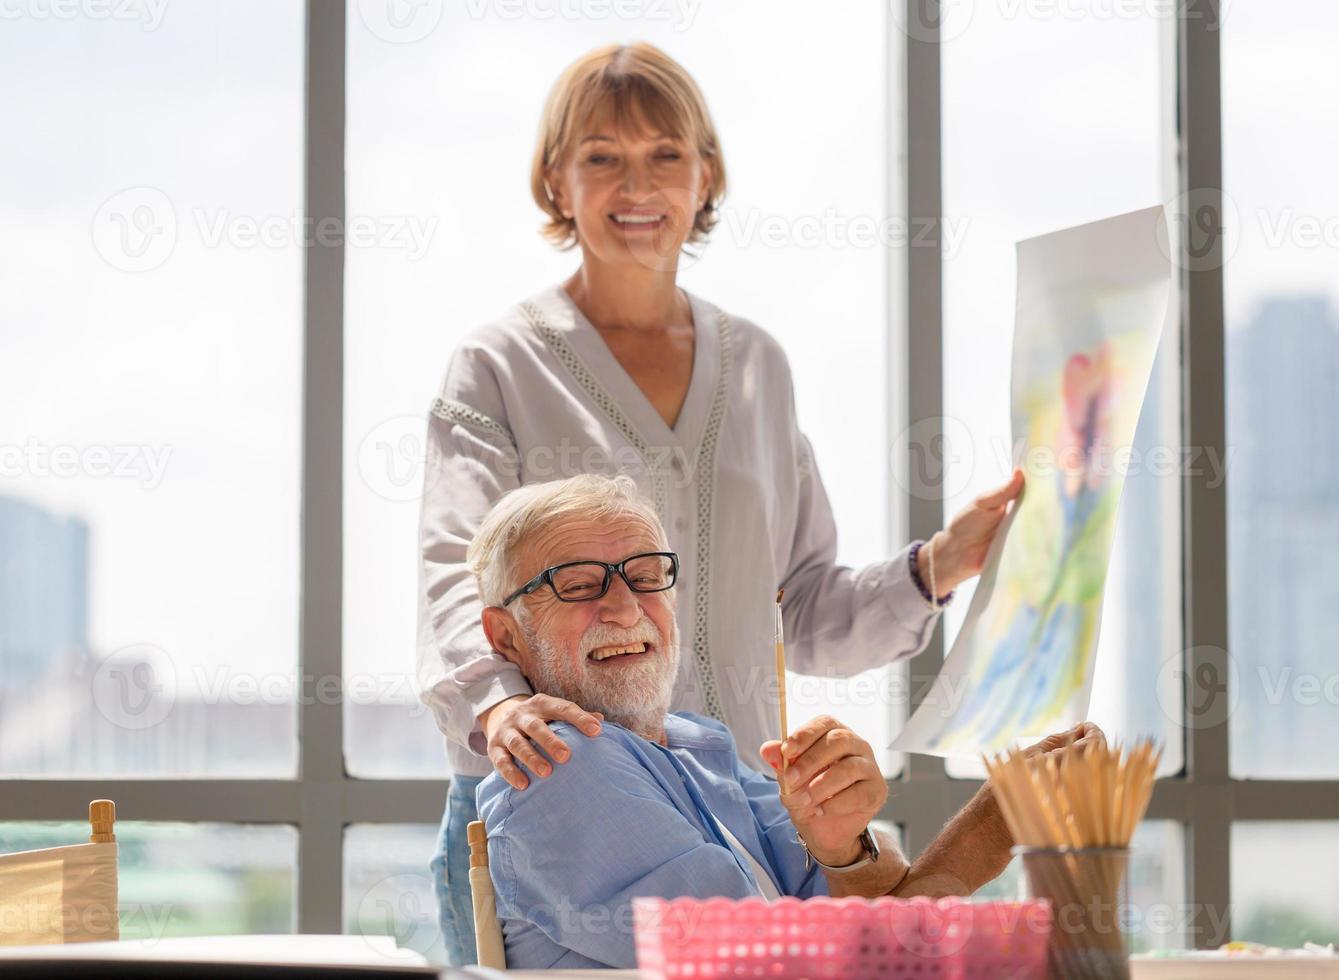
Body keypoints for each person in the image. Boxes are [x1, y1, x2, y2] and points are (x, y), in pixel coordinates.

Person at [416, 41, 1025, 965]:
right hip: (554, 785)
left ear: (709, 177)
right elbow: (453, 572)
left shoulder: (758, 367)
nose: (639, 183)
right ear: (556, 179)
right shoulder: (498, 364)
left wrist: (943, 564)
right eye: (602, 155)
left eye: (667, 153)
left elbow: (806, 611)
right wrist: (500, 710)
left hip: (734, 800)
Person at [468, 474, 1101, 969]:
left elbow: (876, 934)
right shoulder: (558, 766)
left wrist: (845, 848)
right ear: (506, 637)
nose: (624, 606)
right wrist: (992, 829)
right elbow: (804, 968)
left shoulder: (698, 747)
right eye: (577, 584)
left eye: (645, 576)